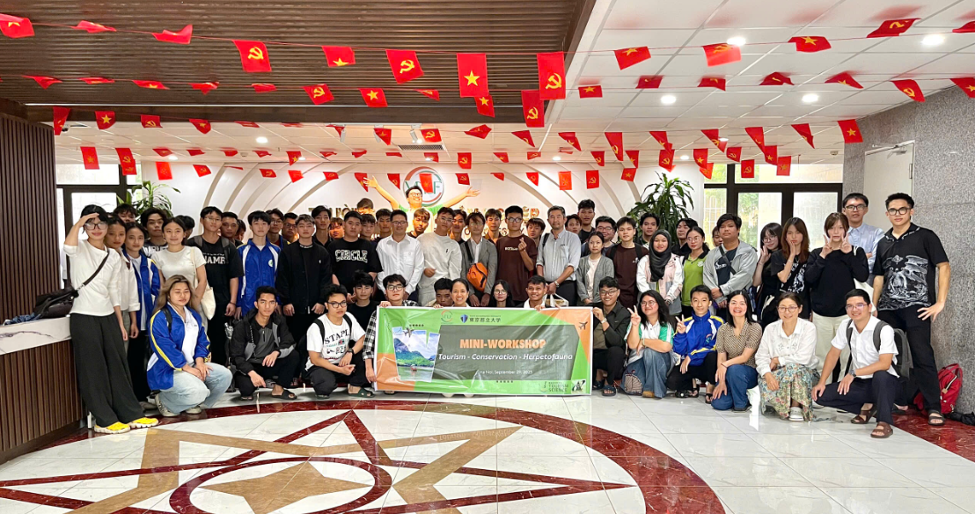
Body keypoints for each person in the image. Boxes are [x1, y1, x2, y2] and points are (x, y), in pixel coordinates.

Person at [64, 206, 158, 434]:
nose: (96, 228)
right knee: (93, 368)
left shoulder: (113, 255)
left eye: (101, 224)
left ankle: (130, 413)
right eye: (91, 224)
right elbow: (67, 247)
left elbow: (113, 290)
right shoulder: (79, 248)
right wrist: (80, 222)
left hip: (107, 315)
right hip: (84, 315)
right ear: (84, 227)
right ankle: (104, 418)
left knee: (118, 366)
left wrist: (119, 322)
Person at [872, 192, 950, 426]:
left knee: (922, 354)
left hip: (918, 307)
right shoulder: (883, 241)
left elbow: (944, 266)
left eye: (902, 209)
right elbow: (879, 277)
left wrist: (940, 302)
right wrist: (874, 306)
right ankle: (893, 401)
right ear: (887, 213)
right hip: (888, 308)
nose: (897, 214)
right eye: (893, 210)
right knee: (888, 356)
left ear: (911, 211)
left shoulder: (925, 236)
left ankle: (933, 407)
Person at [813, 289, 903, 439]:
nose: (854, 310)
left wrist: (853, 373)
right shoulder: (846, 325)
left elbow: (885, 364)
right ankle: (868, 406)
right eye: (850, 306)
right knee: (820, 396)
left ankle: (884, 422)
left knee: (881, 376)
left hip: (887, 383)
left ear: (869, 307)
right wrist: (821, 382)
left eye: (860, 305)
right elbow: (833, 353)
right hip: (862, 383)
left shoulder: (883, 329)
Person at [148, 275, 233, 417]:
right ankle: (165, 402)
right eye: (177, 292)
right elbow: (165, 347)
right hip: (168, 369)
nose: (182, 295)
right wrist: (187, 368)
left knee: (224, 376)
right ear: (168, 295)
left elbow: (203, 341)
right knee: (200, 391)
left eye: (186, 291)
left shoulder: (193, 315)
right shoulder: (160, 317)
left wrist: (200, 362)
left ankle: (193, 403)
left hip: (192, 364)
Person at [805, 213, 869, 382]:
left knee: (847, 357)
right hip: (822, 314)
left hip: (847, 314)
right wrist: (823, 256)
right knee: (822, 356)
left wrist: (848, 255)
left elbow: (862, 276)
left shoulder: (856, 252)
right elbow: (809, 279)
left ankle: (843, 390)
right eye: (832, 228)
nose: (836, 232)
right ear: (826, 230)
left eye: (840, 228)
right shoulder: (817, 253)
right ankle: (822, 389)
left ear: (846, 230)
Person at [188, 206, 244, 365]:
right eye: (210, 218)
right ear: (202, 220)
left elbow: (234, 276)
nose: (214, 222)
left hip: (221, 300)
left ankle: (219, 372)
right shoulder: (192, 244)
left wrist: (232, 301)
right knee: (195, 338)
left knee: (219, 340)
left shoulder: (228, 246)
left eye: (217, 219)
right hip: (196, 300)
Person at [756, 292, 819, 422]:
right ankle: (784, 403)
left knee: (795, 369)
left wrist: (777, 360)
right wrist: (767, 374)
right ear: (778, 309)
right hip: (777, 372)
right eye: (783, 308)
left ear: (800, 309)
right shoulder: (770, 328)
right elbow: (761, 356)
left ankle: (796, 406)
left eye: (792, 307)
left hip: (805, 372)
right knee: (771, 377)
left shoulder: (808, 328)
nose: (787, 312)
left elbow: (804, 358)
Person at [229, 286, 301, 400]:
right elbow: (236, 356)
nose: (267, 306)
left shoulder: (279, 321)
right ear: (256, 304)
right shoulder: (243, 325)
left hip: (268, 362)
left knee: (294, 355)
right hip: (250, 366)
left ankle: (278, 389)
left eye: (271, 302)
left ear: (275, 305)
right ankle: (254, 381)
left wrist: (276, 352)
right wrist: (252, 373)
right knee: (246, 391)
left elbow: (289, 342)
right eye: (263, 302)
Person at [304, 285, 374, 399]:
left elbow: (363, 338)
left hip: (343, 362)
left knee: (367, 356)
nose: (340, 307)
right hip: (322, 365)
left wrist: (350, 352)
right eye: (334, 304)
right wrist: (340, 370)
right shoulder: (317, 326)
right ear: (326, 305)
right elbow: (315, 359)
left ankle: (354, 387)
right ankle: (325, 382)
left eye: (343, 303)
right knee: (324, 387)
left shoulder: (348, 318)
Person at [275, 214, 331, 353]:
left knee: (316, 343)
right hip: (293, 308)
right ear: (296, 229)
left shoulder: (322, 252)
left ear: (313, 229)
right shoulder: (287, 252)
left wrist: (322, 301)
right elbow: (282, 278)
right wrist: (286, 301)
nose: (305, 229)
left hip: (316, 308)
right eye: (301, 226)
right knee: (294, 344)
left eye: (308, 226)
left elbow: (326, 279)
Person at [123, 223, 160, 406]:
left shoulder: (150, 263)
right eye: (131, 237)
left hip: (148, 318)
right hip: (129, 319)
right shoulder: (120, 261)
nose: (136, 242)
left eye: (139, 238)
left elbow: (157, 291)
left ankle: (144, 394)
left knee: (145, 358)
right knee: (131, 358)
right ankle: (132, 396)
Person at [362, 274, 421, 385]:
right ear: (386, 291)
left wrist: (437, 309)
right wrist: (369, 368)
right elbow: (368, 344)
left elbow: (428, 324)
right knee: (389, 389)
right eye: (391, 287)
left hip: (410, 354)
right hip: (387, 356)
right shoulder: (379, 312)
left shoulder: (413, 307)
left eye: (399, 286)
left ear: (404, 290)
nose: (395, 290)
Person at [668, 285, 722, 401]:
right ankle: (693, 383)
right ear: (691, 303)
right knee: (672, 381)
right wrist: (681, 334)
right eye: (696, 300)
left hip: (707, 366)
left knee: (713, 356)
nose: (699, 304)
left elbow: (715, 346)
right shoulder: (685, 323)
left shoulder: (718, 322)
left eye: (704, 300)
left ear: (710, 303)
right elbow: (678, 350)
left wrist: (692, 355)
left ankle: (710, 385)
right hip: (690, 365)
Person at [711, 290, 761, 412]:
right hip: (728, 372)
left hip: (749, 372)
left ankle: (741, 403)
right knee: (719, 404)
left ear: (747, 306)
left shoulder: (755, 328)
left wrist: (725, 365)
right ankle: (735, 393)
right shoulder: (723, 329)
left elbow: (744, 357)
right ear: (728, 305)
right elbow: (721, 356)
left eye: (742, 303)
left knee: (735, 369)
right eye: (733, 303)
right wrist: (721, 381)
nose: (737, 307)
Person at [704, 214, 758, 317]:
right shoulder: (712, 254)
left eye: (730, 226)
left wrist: (722, 291)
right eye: (722, 227)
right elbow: (707, 275)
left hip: (740, 301)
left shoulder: (748, 252)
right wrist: (719, 297)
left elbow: (745, 275)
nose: (726, 229)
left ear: (738, 229)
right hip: (719, 304)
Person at [625, 289, 676, 399]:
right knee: (631, 387)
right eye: (643, 303)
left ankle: (653, 389)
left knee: (650, 352)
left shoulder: (665, 324)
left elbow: (666, 346)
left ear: (659, 304)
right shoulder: (637, 321)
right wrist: (635, 326)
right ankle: (653, 384)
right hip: (638, 361)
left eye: (651, 302)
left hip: (662, 362)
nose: (647, 305)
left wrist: (644, 342)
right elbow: (632, 345)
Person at [151, 218, 208, 314]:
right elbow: (162, 285)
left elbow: (203, 280)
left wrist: (193, 304)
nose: (173, 235)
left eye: (177, 231)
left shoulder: (194, 251)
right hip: (170, 306)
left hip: (194, 304)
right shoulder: (157, 256)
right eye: (169, 231)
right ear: (163, 234)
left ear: (184, 234)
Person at [762, 218, 812, 325]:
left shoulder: (810, 257)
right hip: (782, 306)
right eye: (790, 233)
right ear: (785, 236)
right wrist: (792, 255)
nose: (794, 236)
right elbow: (783, 278)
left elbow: (812, 286)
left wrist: (812, 310)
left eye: (797, 232)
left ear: (803, 235)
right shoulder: (778, 256)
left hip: (802, 307)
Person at [236, 211, 281, 319]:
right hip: (247, 302)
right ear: (250, 226)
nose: (260, 227)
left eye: (264, 223)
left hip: (270, 303)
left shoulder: (276, 251)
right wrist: (238, 304)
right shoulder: (241, 251)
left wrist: (278, 301)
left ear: (269, 226)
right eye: (256, 223)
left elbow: (279, 279)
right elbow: (238, 279)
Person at [591, 277, 631, 396]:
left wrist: (603, 320)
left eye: (611, 291)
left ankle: (609, 382)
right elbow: (572, 314)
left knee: (616, 351)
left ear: (618, 292)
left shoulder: (624, 314)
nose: (607, 295)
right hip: (591, 354)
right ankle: (597, 376)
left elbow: (617, 341)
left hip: (610, 356)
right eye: (603, 292)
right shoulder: (592, 308)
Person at [368, 180, 480, 222]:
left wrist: (464, 195)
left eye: (419, 194)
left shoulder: (429, 211)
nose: (416, 196)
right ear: (407, 198)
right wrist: (377, 187)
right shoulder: (404, 212)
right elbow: (391, 200)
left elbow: (448, 204)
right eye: (413, 194)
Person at [417, 208, 463, 306]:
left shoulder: (454, 245)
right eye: (443, 218)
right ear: (436, 220)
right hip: (426, 288)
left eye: (449, 220)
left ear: (452, 223)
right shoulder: (422, 239)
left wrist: (453, 292)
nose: (445, 222)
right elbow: (414, 262)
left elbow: (455, 271)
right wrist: (423, 269)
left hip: (445, 292)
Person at [328, 211, 382, 293]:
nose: (353, 227)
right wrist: (341, 292)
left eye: (357, 224)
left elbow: (373, 270)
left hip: (363, 294)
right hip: (339, 294)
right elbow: (331, 272)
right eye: (350, 223)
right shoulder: (333, 246)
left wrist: (362, 290)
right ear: (344, 225)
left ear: (360, 227)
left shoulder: (368, 246)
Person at [537, 206, 581, 306]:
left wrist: (556, 283)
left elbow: (572, 265)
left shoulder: (573, 238)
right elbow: (539, 262)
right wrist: (542, 283)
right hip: (546, 286)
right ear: (548, 220)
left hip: (565, 286)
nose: (555, 220)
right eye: (552, 217)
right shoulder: (544, 238)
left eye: (558, 216)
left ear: (564, 219)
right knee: (545, 314)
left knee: (566, 315)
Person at [376, 210, 424, 302]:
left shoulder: (415, 244)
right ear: (391, 224)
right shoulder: (382, 244)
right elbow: (379, 270)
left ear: (407, 224)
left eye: (402, 222)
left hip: (410, 293)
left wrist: (408, 291)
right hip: (386, 293)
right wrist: (385, 291)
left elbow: (419, 268)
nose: (399, 225)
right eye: (396, 222)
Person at [106, 217, 140, 346]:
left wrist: (133, 321)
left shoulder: (125, 259)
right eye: (111, 234)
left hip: (124, 312)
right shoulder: (102, 257)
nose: (117, 238)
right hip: (107, 312)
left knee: (122, 351)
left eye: (121, 234)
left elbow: (132, 292)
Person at [496, 206, 538, 303]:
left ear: (522, 221)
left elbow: (531, 267)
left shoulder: (529, 242)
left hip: (521, 291)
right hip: (502, 292)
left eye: (518, 219)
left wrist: (523, 251)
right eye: (511, 219)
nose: (514, 222)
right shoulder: (500, 242)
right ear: (506, 221)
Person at [637, 230, 684, 316]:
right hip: (648, 307)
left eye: (663, 240)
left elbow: (678, 283)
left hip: (670, 308)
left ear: (668, 242)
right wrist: (651, 300)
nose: (660, 244)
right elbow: (640, 281)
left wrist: (667, 300)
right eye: (656, 240)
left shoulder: (675, 260)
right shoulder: (645, 260)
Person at [608, 217, 647, 310]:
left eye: (629, 229)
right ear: (618, 232)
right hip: (617, 298)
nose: (625, 232)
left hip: (637, 297)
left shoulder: (642, 252)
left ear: (634, 231)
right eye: (622, 230)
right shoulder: (611, 252)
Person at [460, 212, 498, 306]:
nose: (476, 226)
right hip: (468, 288)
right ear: (468, 226)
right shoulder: (462, 247)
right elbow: (463, 271)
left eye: (479, 223)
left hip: (486, 287)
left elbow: (492, 270)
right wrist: (470, 293)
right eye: (473, 223)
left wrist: (487, 293)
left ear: (483, 225)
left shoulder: (490, 246)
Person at [843, 193, 885, 274]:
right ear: (844, 211)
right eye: (851, 207)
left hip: (869, 278)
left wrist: (850, 261)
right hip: (844, 278)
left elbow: (875, 261)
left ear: (866, 210)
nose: (855, 210)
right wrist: (863, 258)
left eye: (860, 206)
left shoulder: (877, 233)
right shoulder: (837, 234)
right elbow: (835, 261)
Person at [753, 222, 783, 324]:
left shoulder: (786, 255)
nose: (768, 241)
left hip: (779, 300)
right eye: (765, 238)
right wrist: (761, 262)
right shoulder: (766, 256)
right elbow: (756, 283)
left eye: (772, 237)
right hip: (765, 300)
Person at [576, 232, 614, 306]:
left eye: (598, 242)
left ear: (602, 245)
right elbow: (579, 281)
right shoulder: (581, 261)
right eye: (591, 243)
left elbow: (608, 283)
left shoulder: (608, 262)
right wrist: (585, 298)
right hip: (583, 302)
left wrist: (596, 301)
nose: (594, 245)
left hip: (602, 302)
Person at [681, 227, 709, 318]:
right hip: (685, 301)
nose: (692, 241)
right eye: (689, 239)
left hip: (702, 302)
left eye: (696, 238)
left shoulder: (708, 258)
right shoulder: (683, 259)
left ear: (703, 238)